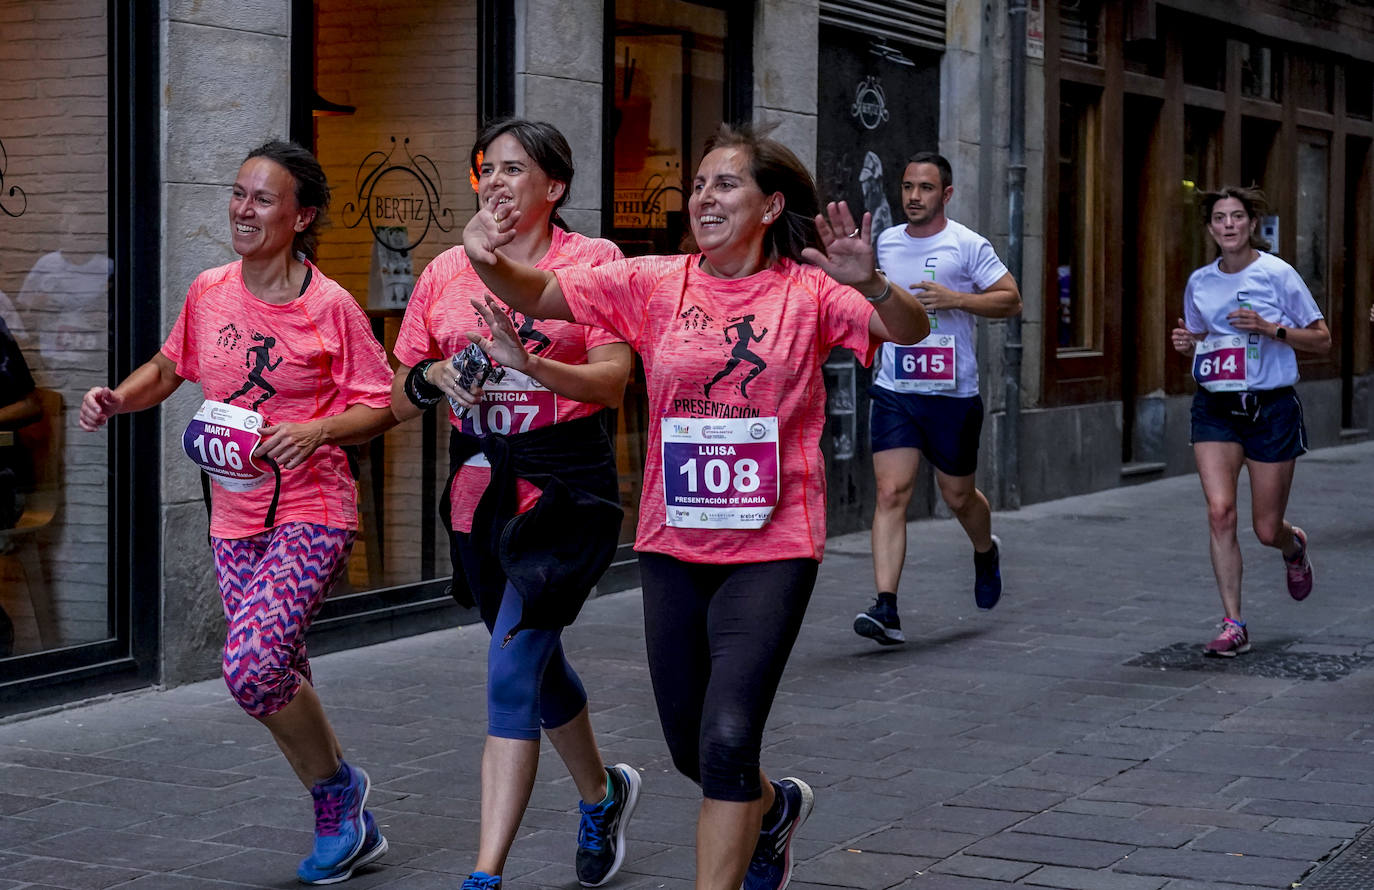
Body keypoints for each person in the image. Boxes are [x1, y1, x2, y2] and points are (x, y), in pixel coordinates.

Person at [460, 123, 929, 890]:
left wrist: (872, 283)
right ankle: (774, 812)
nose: (704, 197)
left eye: (726, 184)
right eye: (699, 184)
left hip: (775, 542)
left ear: (772, 206)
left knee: (728, 740)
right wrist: (485, 251)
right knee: (688, 747)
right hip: (673, 541)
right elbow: (537, 291)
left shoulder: (810, 292)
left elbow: (908, 330)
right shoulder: (653, 282)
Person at [79, 140, 396, 883]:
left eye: (262, 199)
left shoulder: (330, 307)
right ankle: (349, 823)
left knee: (252, 669)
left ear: (301, 215)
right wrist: (122, 398)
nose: (243, 209)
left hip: (314, 508)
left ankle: (339, 795)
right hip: (234, 512)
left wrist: (316, 428)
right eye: (238, 194)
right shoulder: (211, 289)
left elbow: (381, 404)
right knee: (283, 671)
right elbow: (169, 366)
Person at [390, 119, 639, 890]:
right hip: (480, 483)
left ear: (554, 188)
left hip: (565, 483)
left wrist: (529, 364)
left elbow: (613, 382)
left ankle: (485, 875)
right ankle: (602, 793)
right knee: (531, 654)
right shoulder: (442, 274)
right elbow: (398, 391)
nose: (494, 182)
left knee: (509, 668)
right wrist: (431, 378)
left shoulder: (594, 262)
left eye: (513, 170)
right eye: (484, 170)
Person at [853, 153, 1021, 645]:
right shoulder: (884, 243)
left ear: (945, 194)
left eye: (925, 188)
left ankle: (984, 550)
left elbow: (1011, 299)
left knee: (958, 496)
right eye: (907, 187)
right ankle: (886, 608)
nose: (913, 197)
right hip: (895, 390)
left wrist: (956, 299)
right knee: (891, 493)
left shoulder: (967, 244)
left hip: (952, 395)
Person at [1170, 186, 1327, 657]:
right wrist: (1187, 345)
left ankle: (1292, 545)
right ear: (1211, 228)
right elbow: (1203, 342)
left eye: (1238, 217)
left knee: (1264, 529)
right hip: (1216, 408)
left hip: (1271, 409)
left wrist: (1269, 328)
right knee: (1220, 513)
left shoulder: (1278, 274)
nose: (1229, 226)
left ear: (1252, 224)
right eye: (1220, 218)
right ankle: (1233, 623)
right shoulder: (1200, 281)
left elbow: (1321, 339)